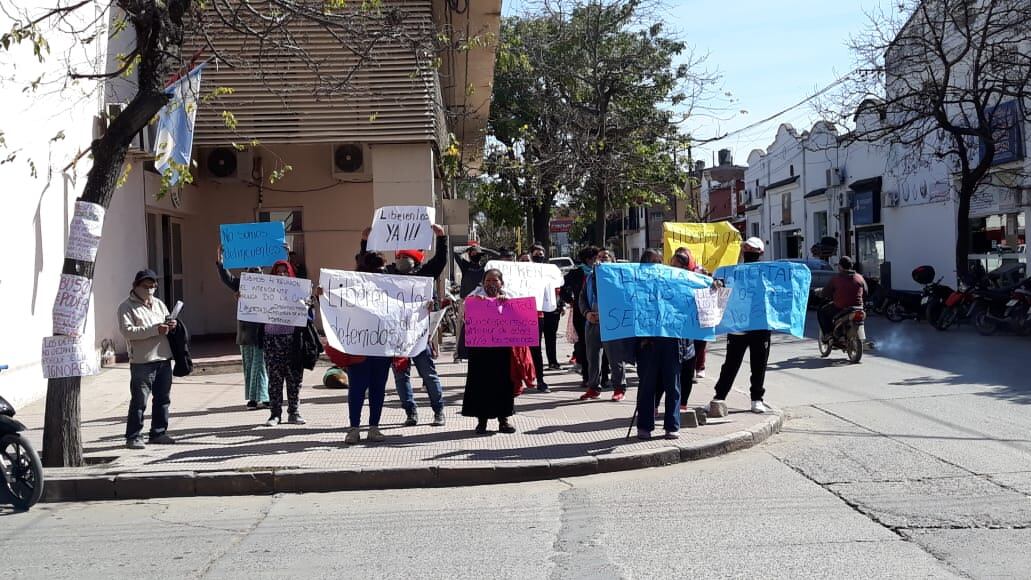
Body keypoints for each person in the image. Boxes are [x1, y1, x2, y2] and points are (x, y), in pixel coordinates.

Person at [360, 225, 448, 427]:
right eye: (400, 257)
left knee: (428, 373)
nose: (402, 261)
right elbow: (366, 268)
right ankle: (411, 412)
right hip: (395, 335)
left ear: (417, 260)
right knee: (401, 377)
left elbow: (440, 261)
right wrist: (365, 241)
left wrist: (441, 237)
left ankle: (438, 410)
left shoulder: (424, 274)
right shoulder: (386, 274)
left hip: (418, 335)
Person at [711, 237, 771, 414]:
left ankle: (757, 399)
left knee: (759, 364)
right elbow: (720, 286)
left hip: (760, 325)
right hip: (738, 326)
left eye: (752, 250)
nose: (748, 252)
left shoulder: (767, 273)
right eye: (746, 249)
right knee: (731, 363)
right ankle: (719, 397)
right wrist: (718, 284)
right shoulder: (732, 272)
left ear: (760, 253)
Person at [118, 269, 177, 449]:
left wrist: (171, 325)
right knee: (139, 401)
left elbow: (166, 322)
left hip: (163, 358)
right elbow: (128, 332)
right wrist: (154, 329)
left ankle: (158, 433)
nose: (150, 290)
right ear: (136, 286)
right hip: (142, 362)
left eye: (153, 286)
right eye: (146, 286)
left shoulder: (158, 304)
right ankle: (133, 436)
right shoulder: (126, 307)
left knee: (162, 399)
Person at [635, 250, 686, 440]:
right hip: (647, 343)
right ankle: (645, 426)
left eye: (658, 262)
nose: (655, 266)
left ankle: (672, 426)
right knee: (647, 386)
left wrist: (711, 283)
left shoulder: (671, 280)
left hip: (670, 340)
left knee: (672, 385)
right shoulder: (635, 283)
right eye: (650, 262)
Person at [344, 251, 394, 444]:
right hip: (360, 347)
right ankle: (354, 429)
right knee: (357, 389)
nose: (381, 271)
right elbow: (336, 304)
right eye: (376, 268)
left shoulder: (390, 287)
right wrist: (323, 295)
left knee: (377, 389)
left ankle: (374, 428)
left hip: (382, 347)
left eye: (382, 268)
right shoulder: (352, 287)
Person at [461, 269, 518, 434]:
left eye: (495, 281)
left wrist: (507, 303)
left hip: (502, 350)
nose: (491, 284)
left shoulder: (509, 296)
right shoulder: (474, 296)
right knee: (480, 384)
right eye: (488, 281)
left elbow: (519, 316)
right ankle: (482, 421)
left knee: (503, 383)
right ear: (483, 282)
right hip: (480, 351)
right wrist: (475, 302)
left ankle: (504, 420)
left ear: (501, 283)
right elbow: (465, 314)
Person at [215, 248, 269, 410]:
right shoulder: (240, 285)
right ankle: (252, 399)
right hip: (245, 333)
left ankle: (264, 397)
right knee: (249, 365)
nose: (254, 273)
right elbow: (226, 277)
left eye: (257, 270)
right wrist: (221, 259)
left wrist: (285, 254)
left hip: (262, 332)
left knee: (261, 365)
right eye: (251, 270)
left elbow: (285, 285)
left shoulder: (268, 286)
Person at [262, 259, 311, 427]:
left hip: (292, 340)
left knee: (294, 378)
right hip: (272, 340)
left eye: (285, 271)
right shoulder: (265, 292)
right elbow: (252, 308)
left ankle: (294, 412)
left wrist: (304, 304)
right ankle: (275, 414)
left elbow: (309, 316)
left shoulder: (298, 291)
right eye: (278, 272)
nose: (281, 274)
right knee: (274, 379)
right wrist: (243, 298)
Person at [578, 248, 629, 401]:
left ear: (613, 261)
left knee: (615, 358)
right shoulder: (590, 278)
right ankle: (593, 388)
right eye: (599, 257)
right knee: (592, 358)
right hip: (593, 322)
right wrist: (587, 313)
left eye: (606, 257)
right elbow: (582, 299)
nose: (601, 260)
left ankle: (619, 388)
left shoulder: (620, 278)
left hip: (612, 323)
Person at [561, 246, 600, 387]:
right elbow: (562, 288)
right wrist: (571, 301)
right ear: (589, 259)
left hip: (599, 313)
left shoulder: (602, 272)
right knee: (584, 344)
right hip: (581, 313)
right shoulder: (576, 273)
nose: (598, 261)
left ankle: (602, 376)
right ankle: (586, 376)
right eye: (596, 258)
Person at [453, 243, 498, 362]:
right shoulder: (465, 266)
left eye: (477, 253)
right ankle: (458, 354)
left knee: (481, 326)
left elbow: (497, 255)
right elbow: (455, 252)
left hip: (481, 301)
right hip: (466, 300)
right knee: (462, 326)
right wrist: (469, 248)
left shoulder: (485, 267)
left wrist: (483, 249)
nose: (475, 254)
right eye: (473, 253)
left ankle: (478, 350)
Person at [818, 255, 868, 341]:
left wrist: (820, 294)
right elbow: (866, 292)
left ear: (840, 267)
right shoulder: (860, 277)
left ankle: (828, 334)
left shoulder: (836, 279)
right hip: (858, 307)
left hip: (841, 308)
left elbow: (825, 292)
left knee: (822, 312)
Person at [531, 243, 563, 370]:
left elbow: (559, 287)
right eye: (536, 253)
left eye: (541, 253)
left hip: (550, 308)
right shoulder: (526, 270)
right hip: (534, 309)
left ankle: (553, 361)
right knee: (535, 339)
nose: (539, 256)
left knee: (551, 337)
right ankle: (535, 364)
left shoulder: (551, 270)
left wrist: (561, 304)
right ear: (531, 254)